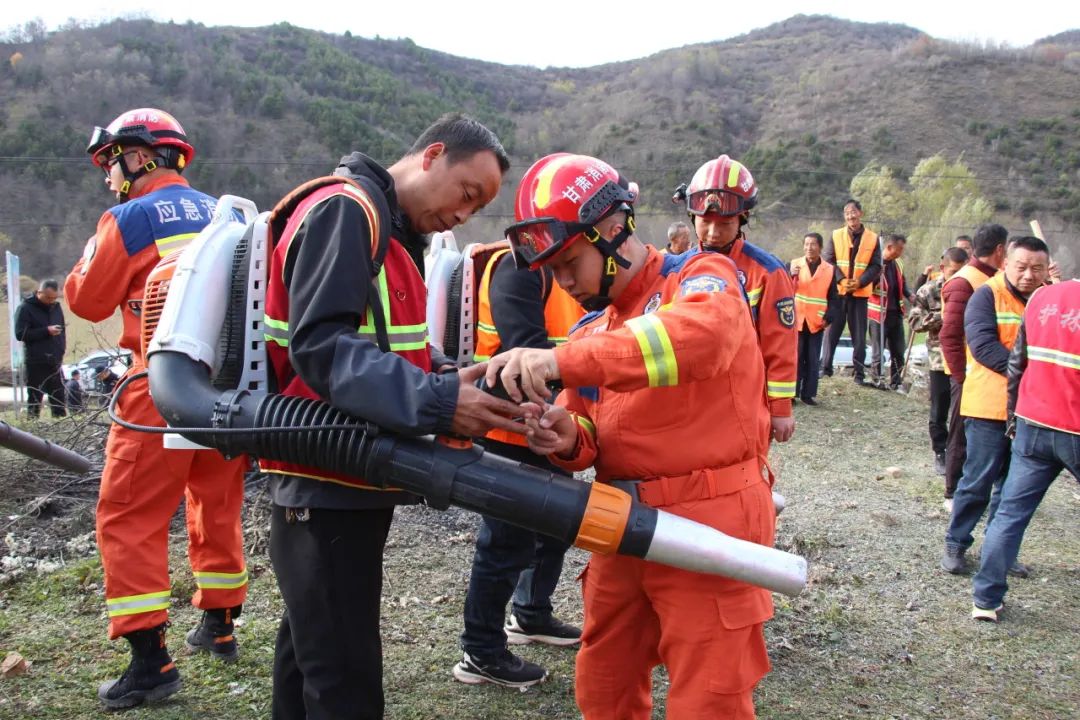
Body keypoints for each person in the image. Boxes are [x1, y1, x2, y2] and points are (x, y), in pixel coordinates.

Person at [489, 153, 776, 719]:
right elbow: (589, 430)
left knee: (709, 698)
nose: (564, 282)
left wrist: (559, 362)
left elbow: (701, 341)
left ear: (614, 230)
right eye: (552, 270)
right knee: (605, 682)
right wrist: (566, 437)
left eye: (570, 262)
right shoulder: (592, 330)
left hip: (709, 522)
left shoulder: (701, 278)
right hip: (620, 524)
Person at [261, 113, 525, 720]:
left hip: (345, 474)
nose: (464, 214)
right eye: (467, 193)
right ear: (432, 155)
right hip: (325, 477)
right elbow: (321, 347)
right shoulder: (347, 211)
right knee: (344, 678)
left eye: (478, 207)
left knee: (313, 651)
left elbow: (385, 347)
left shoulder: (389, 232)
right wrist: (438, 402)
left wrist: (448, 377)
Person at [66, 108, 250, 710]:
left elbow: (86, 301)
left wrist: (93, 252)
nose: (109, 175)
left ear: (140, 156)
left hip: (158, 384)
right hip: (226, 391)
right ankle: (219, 625)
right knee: (216, 501)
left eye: (112, 162)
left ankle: (150, 663)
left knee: (129, 514)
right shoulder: (231, 215)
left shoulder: (130, 218)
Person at [454, 233, 584, 688]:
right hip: (507, 426)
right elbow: (527, 350)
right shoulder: (519, 266)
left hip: (552, 423)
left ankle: (530, 614)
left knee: (554, 530)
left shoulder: (569, 266)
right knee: (506, 542)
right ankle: (480, 650)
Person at [970, 277, 1080, 622]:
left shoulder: (1042, 298)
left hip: (1033, 423)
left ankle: (985, 600)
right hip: (1074, 427)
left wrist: (1013, 418)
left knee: (1009, 514)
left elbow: (1017, 364)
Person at [941, 236, 1049, 575]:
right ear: (1006, 264)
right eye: (1021, 267)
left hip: (1032, 411)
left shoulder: (1048, 300)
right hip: (988, 407)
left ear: (1047, 269)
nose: (1029, 275)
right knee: (977, 481)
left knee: (1013, 488)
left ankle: (1000, 551)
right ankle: (956, 542)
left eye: (1037, 268)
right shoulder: (986, 295)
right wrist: (1032, 375)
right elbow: (984, 347)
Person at [676, 154, 797, 442]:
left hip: (743, 398)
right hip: (687, 398)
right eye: (705, 221)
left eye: (725, 223)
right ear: (692, 217)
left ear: (743, 218)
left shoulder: (766, 272)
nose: (713, 232)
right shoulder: (676, 268)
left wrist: (780, 408)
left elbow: (780, 344)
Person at [939, 224, 1008, 510]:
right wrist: (962, 377)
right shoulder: (965, 282)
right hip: (969, 373)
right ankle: (953, 492)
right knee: (960, 433)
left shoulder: (995, 278)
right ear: (1001, 249)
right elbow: (949, 335)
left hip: (992, 375)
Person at [908, 247, 969, 479]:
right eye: (954, 272)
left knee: (964, 410)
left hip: (965, 358)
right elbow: (914, 322)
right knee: (939, 409)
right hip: (939, 359)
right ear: (943, 268)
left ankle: (960, 453)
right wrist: (943, 317)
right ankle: (940, 451)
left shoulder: (973, 288)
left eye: (962, 272)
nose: (958, 277)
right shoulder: (929, 290)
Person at [821, 200, 882, 385]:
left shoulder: (872, 238)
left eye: (853, 212)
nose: (850, 216)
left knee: (859, 336)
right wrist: (841, 279)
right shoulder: (836, 235)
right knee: (831, 333)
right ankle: (825, 369)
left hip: (860, 294)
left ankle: (859, 374)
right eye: (847, 213)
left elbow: (876, 266)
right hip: (838, 293)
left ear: (860, 213)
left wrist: (860, 282)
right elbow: (828, 260)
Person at [790, 232, 839, 405]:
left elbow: (834, 298)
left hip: (817, 322)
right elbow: (781, 288)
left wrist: (829, 318)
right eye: (806, 244)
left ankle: (808, 394)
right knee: (795, 358)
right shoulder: (794, 264)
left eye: (813, 244)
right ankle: (791, 393)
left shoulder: (829, 270)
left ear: (820, 247)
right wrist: (789, 274)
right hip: (795, 320)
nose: (809, 248)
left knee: (812, 359)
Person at [14, 279, 67, 418]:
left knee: (59, 396)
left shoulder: (56, 307)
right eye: (48, 297)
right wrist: (46, 331)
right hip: (36, 360)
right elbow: (20, 334)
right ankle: (33, 424)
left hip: (54, 359)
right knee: (35, 397)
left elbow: (62, 330)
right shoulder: (25, 308)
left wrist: (61, 350)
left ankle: (61, 423)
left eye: (54, 298)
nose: (51, 301)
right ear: (39, 292)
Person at [868, 234, 914, 390]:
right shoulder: (874, 263)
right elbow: (866, 286)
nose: (901, 252)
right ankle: (877, 379)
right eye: (899, 249)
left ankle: (896, 382)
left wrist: (909, 295)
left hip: (896, 314)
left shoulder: (898, 263)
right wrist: (877, 276)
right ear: (889, 247)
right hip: (878, 315)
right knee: (878, 350)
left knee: (898, 351)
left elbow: (902, 283)